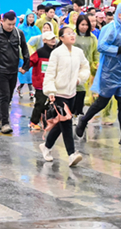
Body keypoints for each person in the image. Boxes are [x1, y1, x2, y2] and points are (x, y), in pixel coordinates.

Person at [75, 4, 121, 146]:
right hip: (109, 73)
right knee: (102, 102)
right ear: (119, 15)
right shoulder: (111, 28)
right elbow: (101, 46)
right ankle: (84, 120)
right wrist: (120, 49)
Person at [40, 25, 90, 166]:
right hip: (58, 93)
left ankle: (46, 146)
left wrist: (80, 79)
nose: (72, 35)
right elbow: (50, 73)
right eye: (68, 34)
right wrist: (50, 91)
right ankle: (71, 154)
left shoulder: (78, 52)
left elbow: (85, 67)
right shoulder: (56, 53)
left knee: (61, 122)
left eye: (73, 33)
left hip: (72, 93)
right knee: (67, 122)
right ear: (61, 38)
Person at [0, 11, 31, 134]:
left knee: (8, 97)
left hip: (13, 69)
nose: (11, 27)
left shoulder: (19, 34)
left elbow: (24, 49)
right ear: (3, 21)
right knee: (4, 95)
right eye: (9, 24)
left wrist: (26, 65)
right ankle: (5, 123)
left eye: (13, 24)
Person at [29, 25, 59, 131]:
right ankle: (33, 122)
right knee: (40, 103)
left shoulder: (56, 52)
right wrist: (23, 68)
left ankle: (47, 121)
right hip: (40, 83)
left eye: (54, 38)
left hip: (52, 82)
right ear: (44, 40)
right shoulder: (40, 52)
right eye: (51, 39)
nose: (53, 40)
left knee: (50, 104)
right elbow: (31, 61)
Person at [72, 13, 99, 118]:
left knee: (82, 90)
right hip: (73, 67)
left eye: (86, 25)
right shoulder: (72, 35)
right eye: (82, 24)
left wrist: (96, 63)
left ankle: (78, 112)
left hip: (86, 68)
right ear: (78, 24)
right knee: (74, 90)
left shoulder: (92, 38)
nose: (84, 27)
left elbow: (96, 52)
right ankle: (73, 112)